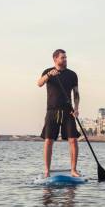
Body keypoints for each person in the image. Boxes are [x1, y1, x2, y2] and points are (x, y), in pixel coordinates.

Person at [36, 49, 81, 178]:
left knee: (73, 140)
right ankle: (47, 171)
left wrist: (76, 108)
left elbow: (76, 93)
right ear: (55, 59)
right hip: (52, 110)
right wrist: (49, 75)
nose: (65, 60)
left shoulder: (72, 74)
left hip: (68, 111)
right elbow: (39, 83)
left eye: (66, 58)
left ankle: (73, 170)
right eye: (63, 58)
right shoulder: (47, 72)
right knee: (49, 140)